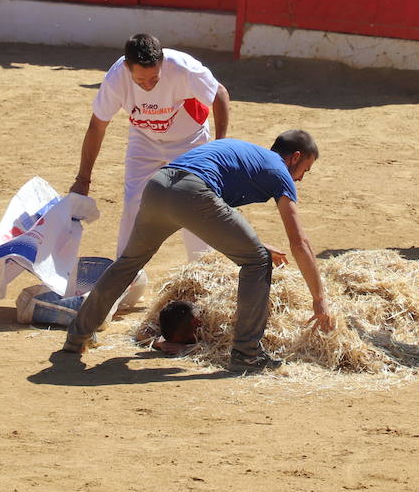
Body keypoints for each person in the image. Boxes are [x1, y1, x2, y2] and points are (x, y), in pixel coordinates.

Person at [61, 132, 335, 372]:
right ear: (294, 158)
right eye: (305, 171)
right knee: (257, 262)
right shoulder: (280, 171)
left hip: (159, 184)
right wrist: (319, 298)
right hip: (193, 193)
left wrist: (256, 243)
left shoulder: (246, 153)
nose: (299, 179)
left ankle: (77, 337)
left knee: (128, 263)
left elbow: (216, 214)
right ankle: (247, 354)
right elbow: (299, 242)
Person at [70, 34, 230, 263]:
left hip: (189, 139)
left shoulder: (183, 67)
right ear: (127, 67)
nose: (147, 86)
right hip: (144, 139)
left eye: (154, 79)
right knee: (133, 203)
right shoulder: (116, 77)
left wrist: (219, 145)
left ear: (162, 62)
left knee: (195, 204)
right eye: (140, 81)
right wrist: (83, 179)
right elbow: (97, 125)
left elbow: (219, 93)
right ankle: (125, 277)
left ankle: (201, 275)